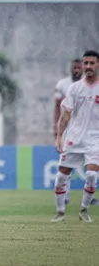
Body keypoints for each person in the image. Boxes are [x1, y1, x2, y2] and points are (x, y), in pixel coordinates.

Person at [52, 50, 99, 223]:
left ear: (98, 65)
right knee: (61, 176)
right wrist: (59, 137)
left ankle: (84, 210)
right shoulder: (75, 88)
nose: (87, 67)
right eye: (85, 63)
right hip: (74, 137)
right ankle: (60, 212)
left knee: (92, 175)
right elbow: (65, 116)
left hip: (95, 139)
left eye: (91, 63)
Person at [53, 59, 85, 205]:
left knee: (92, 165)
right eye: (74, 68)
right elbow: (57, 106)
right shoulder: (63, 85)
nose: (76, 71)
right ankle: (65, 196)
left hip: (87, 129)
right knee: (66, 164)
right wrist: (56, 126)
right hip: (68, 129)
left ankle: (90, 195)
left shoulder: (90, 85)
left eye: (79, 68)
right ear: (71, 69)